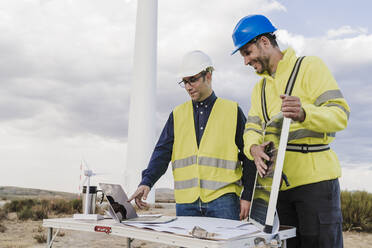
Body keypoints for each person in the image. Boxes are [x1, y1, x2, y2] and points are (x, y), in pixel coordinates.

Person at [231, 15, 350, 247]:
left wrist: (305, 113)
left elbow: (340, 114)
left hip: (315, 185)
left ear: (264, 42)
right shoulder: (260, 88)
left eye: (246, 52)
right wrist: (253, 148)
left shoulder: (310, 66)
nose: (245, 61)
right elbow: (252, 128)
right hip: (277, 191)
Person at [128, 50, 256, 220]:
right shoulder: (177, 114)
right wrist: (147, 181)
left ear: (208, 76)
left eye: (193, 80)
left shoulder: (232, 111)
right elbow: (162, 152)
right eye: (185, 81)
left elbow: (250, 155)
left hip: (223, 200)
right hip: (186, 203)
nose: (188, 86)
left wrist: (247, 195)